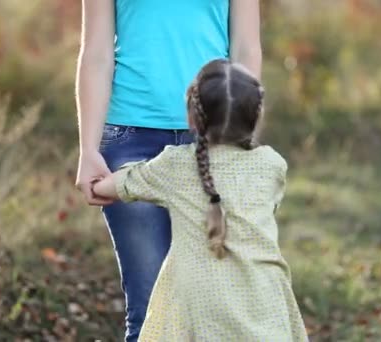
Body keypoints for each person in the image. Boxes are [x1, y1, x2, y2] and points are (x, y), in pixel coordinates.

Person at [74, 1, 261, 340]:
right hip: (129, 139)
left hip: (212, 138)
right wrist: (88, 149)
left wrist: (239, 140)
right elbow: (96, 52)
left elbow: (246, 47)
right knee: (150, 312)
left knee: (214, 309)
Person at [92, 59, 308, 341]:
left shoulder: (175, 165)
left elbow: (111, 187)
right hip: (262, 298)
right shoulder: (271, 166)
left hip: (199, 305)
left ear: (192, 117)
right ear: (256, 117)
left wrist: (95, 178)